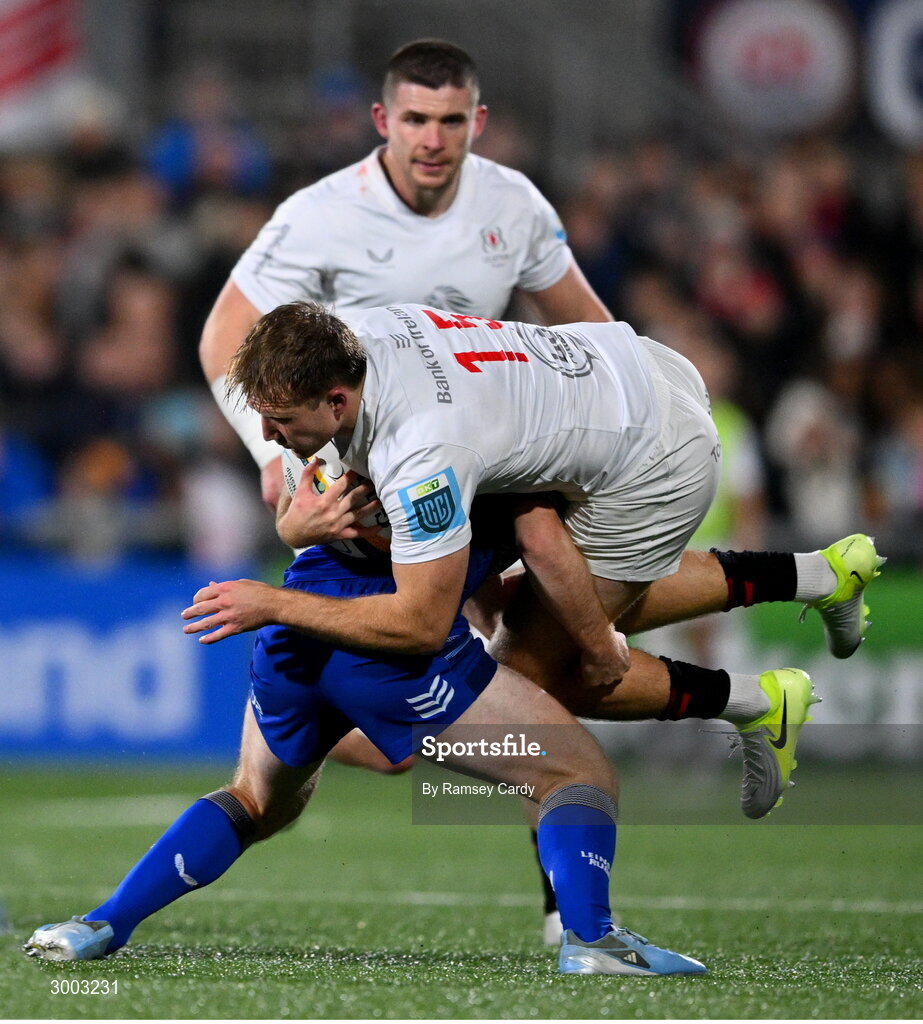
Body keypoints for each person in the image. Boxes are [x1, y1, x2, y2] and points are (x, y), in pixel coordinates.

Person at [197, 37, 611, 939]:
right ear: (383, 120)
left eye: (451, 120)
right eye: (415, 119)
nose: (432, 139)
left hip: (479, 474)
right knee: (425, 718)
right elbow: (224, 333)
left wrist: (626, 418)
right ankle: (297, 738)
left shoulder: (513, 207)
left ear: (478, 123)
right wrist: (277, 461)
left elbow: (591, 329)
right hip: (368, 498)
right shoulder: (321, 216)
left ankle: (561, 906)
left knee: (532, 671)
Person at [183, 301, 881, 821]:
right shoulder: (351, 339)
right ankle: (820, 574)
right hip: (634, 368)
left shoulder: (422, 450)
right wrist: (295, 525)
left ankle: (755, 700)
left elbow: (521, 550)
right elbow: (512, 526)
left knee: (529, 698)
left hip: (651, 456)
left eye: (278, 422)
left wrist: (594, 649)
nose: (269, 441)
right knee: (537, 620)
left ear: (335, 400)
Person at [23, 524, 708, 978]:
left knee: (255, 798)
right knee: (572, 771)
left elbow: (297, 512)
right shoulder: (499, 442)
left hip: (291, 625)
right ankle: (589, 938)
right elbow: (543, 551)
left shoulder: (360, 432)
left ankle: (101, 923)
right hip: (381, 633)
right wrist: (594, 642)